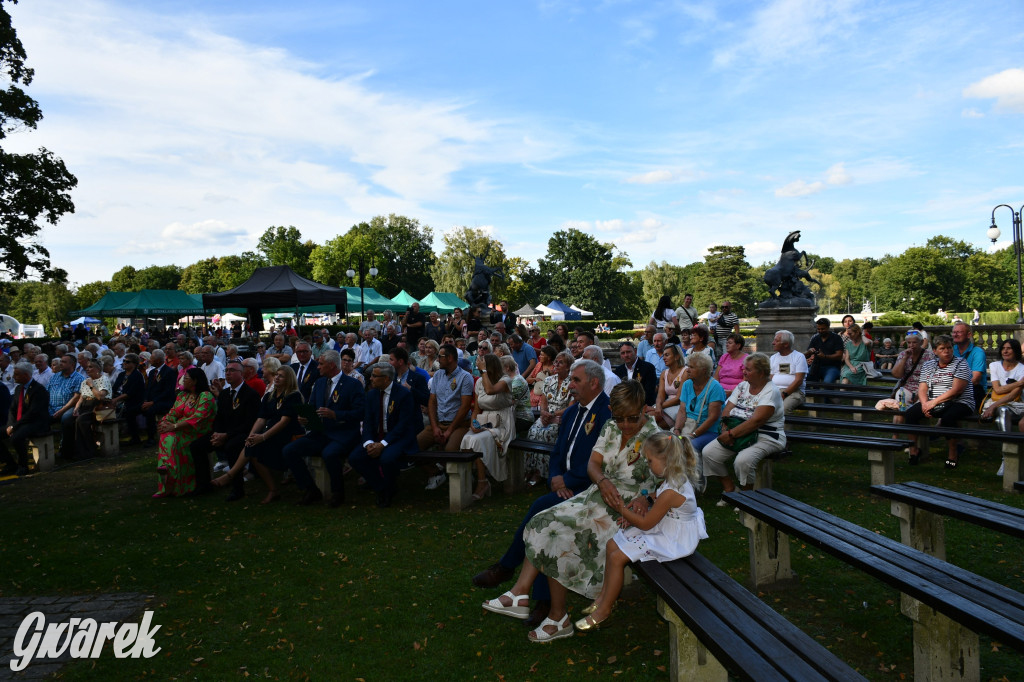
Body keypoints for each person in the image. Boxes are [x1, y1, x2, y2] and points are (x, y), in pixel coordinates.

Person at [483, 380, 659, 642]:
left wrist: (647, 498)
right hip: (597, 496)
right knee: (543, 520)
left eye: (632, 418)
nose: (625, 424)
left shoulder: (656, 437)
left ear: (644, 408)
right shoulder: (610, 427)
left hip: (624, 511)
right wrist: (602, 480)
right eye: (619, 417)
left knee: (560, 534)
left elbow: (674, 481)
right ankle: (521, 593)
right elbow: (593, 465)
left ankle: (557, 616)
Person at [576, 432, 707, 631]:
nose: (647, 463)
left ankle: (604, 611)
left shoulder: (672, 491)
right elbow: (657, 498)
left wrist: (621, 509)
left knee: (618, 557)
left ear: (666, 460)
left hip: (674, 539)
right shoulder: (673, 478)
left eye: (650, 460)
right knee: (612, 544)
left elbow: (645, 524)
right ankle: (603, 598)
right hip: (665, 526)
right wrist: (643, 502)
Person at [284, 351, 366, 507]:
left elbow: (360, 412)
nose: (318, 367)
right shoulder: (320, 383)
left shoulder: (353, 384)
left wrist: (336, 415)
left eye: (321, 364)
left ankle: (338, 493)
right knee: (289, 450)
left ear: (332, 365)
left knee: (329, 453)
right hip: (321, 433)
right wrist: (306, 418)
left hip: (343, 434)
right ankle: (310, 489)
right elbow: (313, 407)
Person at [702, 353, 786, 504]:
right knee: (709, 453)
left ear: (761, 373)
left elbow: (756, 421)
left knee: (743, 461)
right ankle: (730, 489)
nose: (744, 372)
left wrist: (731, 435)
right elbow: (727, 409)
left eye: (748, 369)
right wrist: (726, 430)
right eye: (744, 368)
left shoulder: (771, 391)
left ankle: (746, 498)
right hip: (737, 432)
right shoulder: (742, 386)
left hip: (766, 435)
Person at [215, 366, 304, 504]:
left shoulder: (293, 396)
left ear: (289, 379)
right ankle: (271, 490)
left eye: (281, 376)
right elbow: (261, 419)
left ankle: (230, 475)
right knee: (252, 445)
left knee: (254, 447)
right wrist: (251, 436)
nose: (277, 377)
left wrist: (262, 437)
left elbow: (284, 422)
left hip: (286, 434)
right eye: (276, 375)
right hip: (270, 432)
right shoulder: (269, 396)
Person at [348, 362, 418, 508]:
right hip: (376, 437)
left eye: (374, 376)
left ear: (386, 378)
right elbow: (367, 422)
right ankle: (381, 488)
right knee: (355, 458)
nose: (371, 379)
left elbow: (403, 425)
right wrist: (368, 443)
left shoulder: (403, 394)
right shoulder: (372, 394)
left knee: (387, 459)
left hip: (398, 438)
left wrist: (383, 444)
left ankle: (388, 489)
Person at [190, 358, 260, 500]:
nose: (227, 373)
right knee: (196, 446)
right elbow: (219, 417)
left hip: (243, 434)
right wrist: (216, 433)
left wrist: (226, 435)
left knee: (232, 447)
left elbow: (249, 423)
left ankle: (237, 489)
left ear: (241, 374)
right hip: (224, 433)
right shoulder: (224, 394)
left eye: (232, 370)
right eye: (226, 370)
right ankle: (204, 485)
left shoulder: (250, 394)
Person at [902, 334, 975, 469]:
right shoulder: (929, 365)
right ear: (935, 351)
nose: (947, 351)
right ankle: (914, 450)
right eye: (942, 348)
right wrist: (925, 404)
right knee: (910, 414)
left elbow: (957, 390)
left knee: (948, 417)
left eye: (949, 348)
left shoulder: (961, 363)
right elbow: (922, 388)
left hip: (960, 402)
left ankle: (952, 454)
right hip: (932, 402)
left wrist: (932, 403)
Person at [416, 343, 474, 490]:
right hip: (439, 423)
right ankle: (435, 472)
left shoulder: (465, 377)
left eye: (440, 356)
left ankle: (462, 479)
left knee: (450, 450)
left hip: (459, 424)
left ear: (450, 358)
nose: (437, 359)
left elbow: (465, 407)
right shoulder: (437, 375)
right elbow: (432, 402)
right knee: (413, 446)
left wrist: (449, 431)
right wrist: (435, 427)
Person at [153, 368, 216, 498]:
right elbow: (173, 413)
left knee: (171, 438)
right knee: (166, 435)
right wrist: (164, 423)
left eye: (186, 378)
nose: (182, 381)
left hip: (197, 431)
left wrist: (174, 426)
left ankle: (170, 478)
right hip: (180, 430)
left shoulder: (205, 396)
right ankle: (168, 473)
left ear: (195, 381)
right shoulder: (182, 395)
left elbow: (198, 418)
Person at [461, 354, 516, 500]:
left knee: (478, 440)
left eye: (483, 368)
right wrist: (473, 424)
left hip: (502, 422)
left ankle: (482, 483)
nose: (480, 371)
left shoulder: (505, 380)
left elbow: (490, 390)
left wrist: (484, 371)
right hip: (484, 420)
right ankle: (475, 477)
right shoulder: (479, 382)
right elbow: (477, 409)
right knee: (467, 439)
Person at [524, 351, 575, 484]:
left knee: (547, 434)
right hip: (546, 415)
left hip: (561, 417)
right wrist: (543, 413)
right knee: (533, 432)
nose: (556, 364)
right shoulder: (548, 380)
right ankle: (530, 469)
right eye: (556, 361)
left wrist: (554, 415)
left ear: (568, 367)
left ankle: (542, 473)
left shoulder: (572, 383)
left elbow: (571, 407)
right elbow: (544, 400)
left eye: (560, 362)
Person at [672, 351, 725, 469]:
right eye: (688, 366)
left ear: (704, 370)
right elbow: (682, 411)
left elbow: (713, 418)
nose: (687, 370)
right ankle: (674, 475)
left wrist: (694, 434)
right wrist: (677, 429)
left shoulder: (715, 387)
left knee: (690, 446)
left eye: (692, 367)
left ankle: (696, 477)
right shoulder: (687, 384)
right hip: (689, 426)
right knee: (669, 441)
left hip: (710, 431)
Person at [1, 363, 49, 477]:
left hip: (35, 422)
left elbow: (33, 413)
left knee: (16, 438)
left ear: (26, 375)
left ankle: (23, 465)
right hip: (21, 422)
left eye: (17, 374)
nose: (14, 377)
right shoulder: (19, 389)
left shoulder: (38, 390)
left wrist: (14, 427)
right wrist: (10, 425)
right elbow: (12, 409)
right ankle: (10, 463)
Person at [72, 360, 112, 461]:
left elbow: (100, 397)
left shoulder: (103, 379)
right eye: (87, 367)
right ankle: (75, 450)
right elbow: (82, 397)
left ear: (98, 369)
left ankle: (90, 450)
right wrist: (76, 408)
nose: (87, 369)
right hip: (85, 406)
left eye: (90, 367)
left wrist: (91, 385)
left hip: (98, 406)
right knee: (70, 420)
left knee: (81, 420)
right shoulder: (85, 381)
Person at [141, 349, 178, 446]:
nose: (149, 360)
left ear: (157, 360)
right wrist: (146, 400)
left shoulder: (169, 372)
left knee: (150, 411)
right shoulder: (152, 372)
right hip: (153, 400)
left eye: (151, 358)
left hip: (165, 401)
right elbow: (148, 388)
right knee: (139, 407)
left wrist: (152, 402)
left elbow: (168, 391)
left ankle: (151, 438)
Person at [769, 330, 808, 414]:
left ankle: (784, 424)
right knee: (764, 407)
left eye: (776, 341)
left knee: (783, 409)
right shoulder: (773, 358)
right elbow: (770, 377)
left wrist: (784, 394)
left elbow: (798, 381)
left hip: (795, 391)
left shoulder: (799, 357)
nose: (773, 343)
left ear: (786, 344)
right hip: (775, 390)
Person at [952, 321, 987, 410]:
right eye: (954, 332)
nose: (955, 335)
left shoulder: (977, 352)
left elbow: (975, 379)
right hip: (952, 391)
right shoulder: (951, 351)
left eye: (959, 332)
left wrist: (956, 391)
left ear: (969, 335)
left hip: (972, 392)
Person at [111, 353, 145, 445]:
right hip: (119, 399)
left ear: (134, 364)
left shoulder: (137, 375)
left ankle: (135, 437)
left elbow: (130, 393)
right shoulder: (122, 374)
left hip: (133, 401)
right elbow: (114, 388)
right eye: (124, 361)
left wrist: (116, 400)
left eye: (127, 362)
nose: (124, 363)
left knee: (129, 411)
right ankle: (112, 437)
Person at [651, 343, 685, 429]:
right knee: (647, 417)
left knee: (652, 424)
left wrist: (658, 407)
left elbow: (679, 399)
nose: (664, 358)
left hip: (679, 406)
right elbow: (660, 395)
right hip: (666, 404)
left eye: (667, 355)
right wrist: (658, 405)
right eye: (663, 355)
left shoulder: (685, 372)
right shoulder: (664, 373)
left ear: (676, 357)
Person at [612, 341, 657, 407]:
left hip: (643, 406)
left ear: (635, 351)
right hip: (624, 406)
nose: (626, 355)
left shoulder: (648, 368)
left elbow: (649, 393)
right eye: (623, 353)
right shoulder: (619, 370)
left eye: (628, 352)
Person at [805, 318, 844, 384]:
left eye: (823, 329)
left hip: (832, 367)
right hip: (816, 366)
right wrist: (809, 352)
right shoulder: (815, 338)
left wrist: (825, 356)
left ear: (828, 328)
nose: (820, 331)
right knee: (804, 377)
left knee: (827, 383)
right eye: (818, 329)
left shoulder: (836, 338)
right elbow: (807, 354)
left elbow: (839, 355)